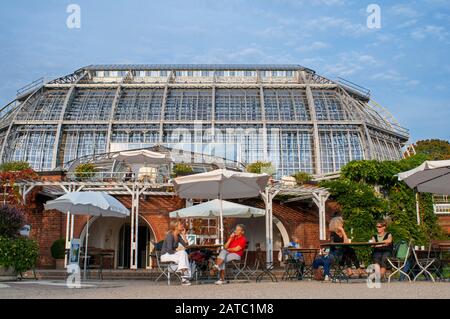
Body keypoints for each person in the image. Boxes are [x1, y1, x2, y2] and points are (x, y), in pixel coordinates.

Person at [161, 220, 192, 286]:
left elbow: (186, 246)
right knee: (183, 254)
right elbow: (169, 250)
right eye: (180, 224)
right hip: (165, 255)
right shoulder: (170, 235)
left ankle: (183, 276)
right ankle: (185, 277)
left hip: (172, 254)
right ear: (175, 227)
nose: (182, 226)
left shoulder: (178, 236)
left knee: (183, 253)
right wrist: (179, 252)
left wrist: (184, 235)